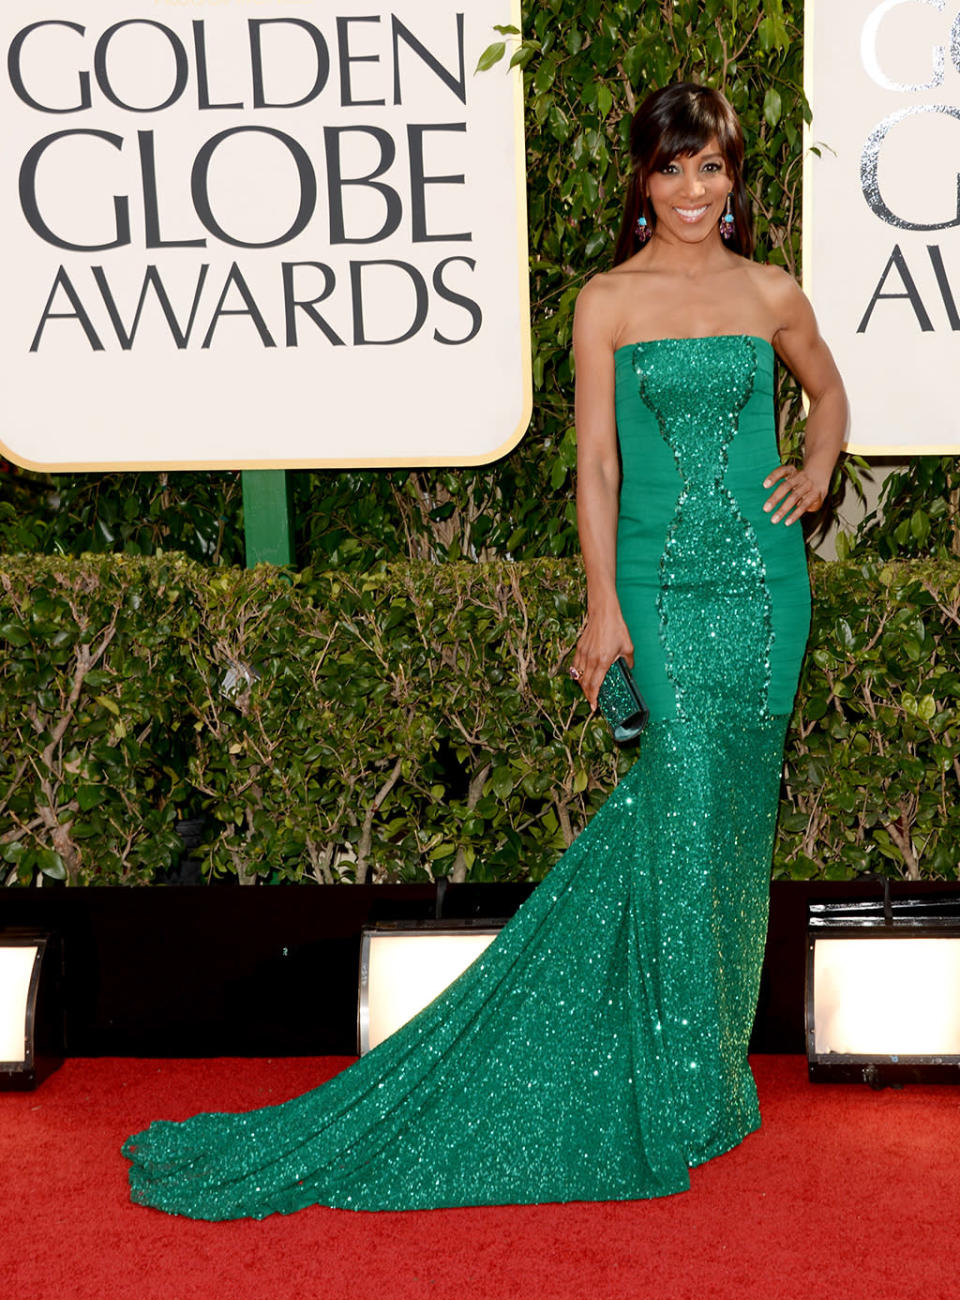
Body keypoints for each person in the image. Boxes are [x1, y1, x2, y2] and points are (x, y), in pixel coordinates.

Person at [122, 82, 846, 1221]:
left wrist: (817, 468)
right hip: (660, 588)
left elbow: (829, 387)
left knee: (731, 823)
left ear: (734, 177)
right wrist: (604, 607)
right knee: (682, 794)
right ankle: (674, 1073)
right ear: (641, 181)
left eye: (713, 168)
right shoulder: (607, 301)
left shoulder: (772, 291)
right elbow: (597, 466)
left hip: (768, 591)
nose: (696, 191)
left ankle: (707, 1068)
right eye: (673, 169)